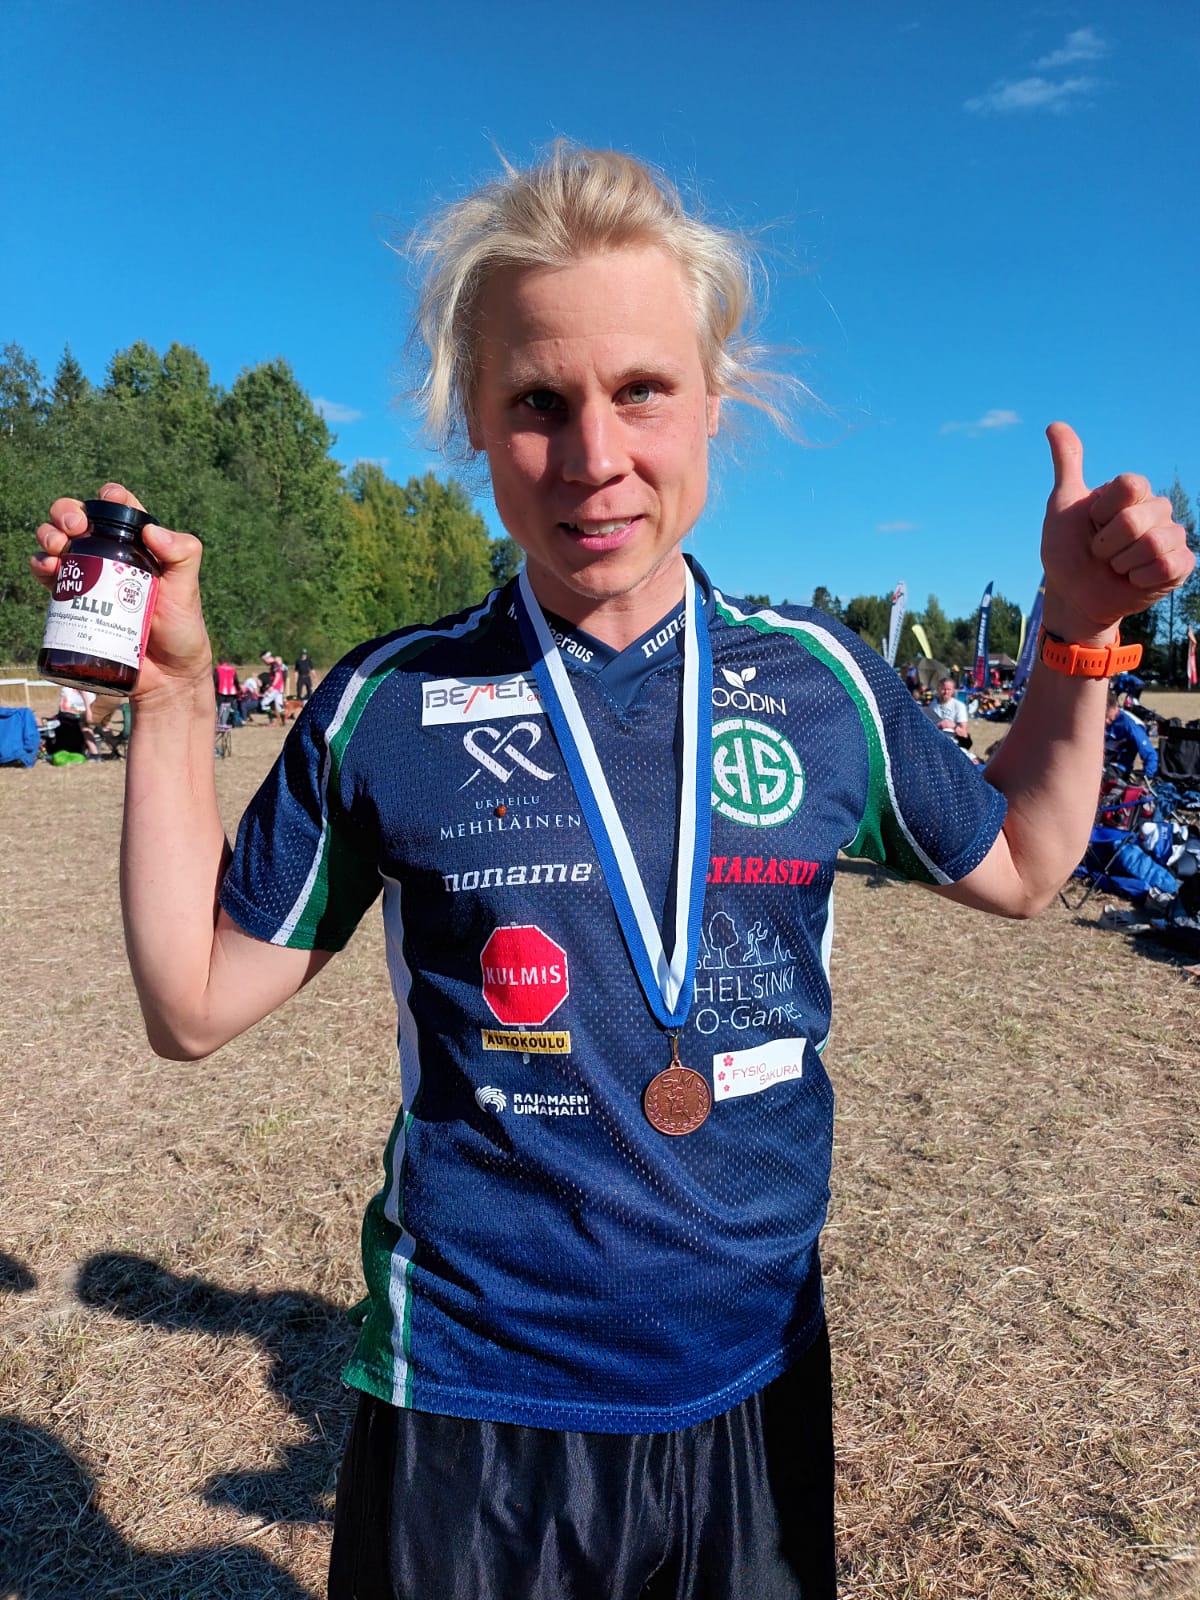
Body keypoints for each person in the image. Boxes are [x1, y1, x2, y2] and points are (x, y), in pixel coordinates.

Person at [32, 144, 1193, 1600]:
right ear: (473, 419)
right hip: (474, 1404)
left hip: (756, 1380)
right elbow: (193, 1001)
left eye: (642, 389)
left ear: (715, 400)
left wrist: (1079, 632)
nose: (594, 458)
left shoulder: (821, 681)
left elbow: (1024, 862)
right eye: (538, 402)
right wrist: (169, 698)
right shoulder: (391, 702)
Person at [1105, 688, 1158, 780]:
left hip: (1117, 767)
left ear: (1115, 706)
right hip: (1098, 761)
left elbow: (1150, 754)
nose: (1106, 721)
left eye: (1108, 717)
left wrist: (1146, 777)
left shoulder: (1131, 724)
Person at [924, 675, 972, 748]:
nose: (946, 692)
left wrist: (952, 726)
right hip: (933, 742)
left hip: (953, 743)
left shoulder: (959, 706)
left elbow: (964, 733)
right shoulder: (932, 705)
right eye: (943, 689)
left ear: (953, 691)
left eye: (949, 689)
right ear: (938, 689)